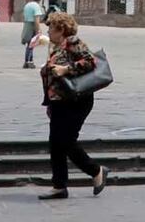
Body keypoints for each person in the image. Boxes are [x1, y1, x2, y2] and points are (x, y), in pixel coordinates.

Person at [37, 12, 107, 200]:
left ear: (61, 29)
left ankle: (96, 170)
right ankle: (59, 186)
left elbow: (90, 62)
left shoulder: (72, 42)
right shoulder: (56, 46)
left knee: (66, 141)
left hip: (77, 100)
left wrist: (65, 69)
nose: (48, 31)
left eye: (51, 27)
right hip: (60, 101)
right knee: (55, 144)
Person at [21, 0, 45, 69]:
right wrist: (38, 30)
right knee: (31, 44)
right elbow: (36, 20)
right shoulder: (36, 6)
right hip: (32, 25)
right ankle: (28, 61)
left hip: (27, 24)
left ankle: (29, 60)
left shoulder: (27, 5)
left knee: (29, 44)